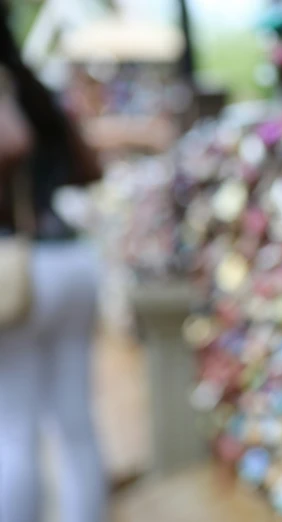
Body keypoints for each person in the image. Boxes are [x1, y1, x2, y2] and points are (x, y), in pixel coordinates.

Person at [0, 4, 106, 522]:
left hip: (18, 268)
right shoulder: (34, 87)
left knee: (13, 428)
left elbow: (11, 144)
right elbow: (89, 168)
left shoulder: (7, 88)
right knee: (74, 424)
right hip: (70, 259)